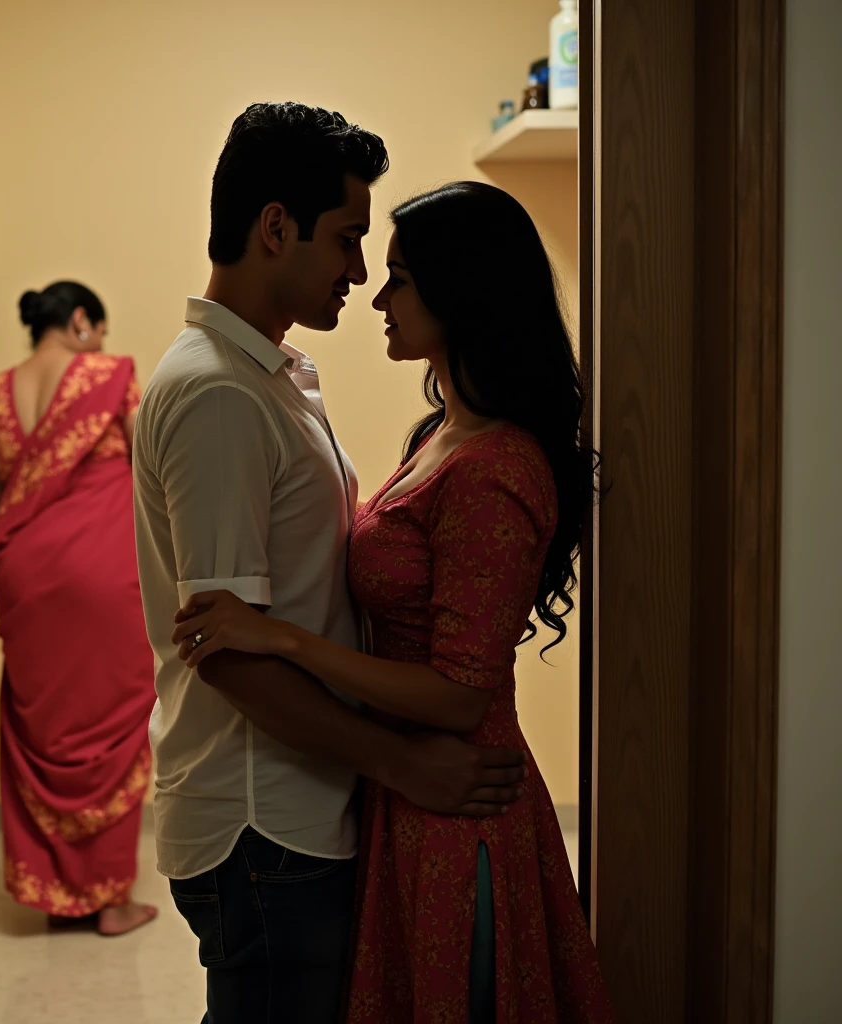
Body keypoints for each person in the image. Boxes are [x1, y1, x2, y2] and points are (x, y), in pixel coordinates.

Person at [172, 183, 616, 1022]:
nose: (375, 292)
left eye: (400, 278)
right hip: (405, 788)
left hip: (457, 799)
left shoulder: (498, 468)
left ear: (463, 293)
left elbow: (459, 691)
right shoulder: (438, 434)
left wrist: (282, 641)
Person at [132, 104, 529, 1023]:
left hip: (300, 803)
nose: (361, 271)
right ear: (277, 227)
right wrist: (400, 763)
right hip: (263, 819)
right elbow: (225, 649)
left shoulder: (267, 376)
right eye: (349, 238)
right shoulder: (217, 395)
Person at [0, 281, 157, 937]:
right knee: (111, 726)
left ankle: (58, 896)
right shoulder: (109, 376)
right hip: (102, 574)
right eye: (98, 331)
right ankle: (109, 901)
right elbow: (150, 472)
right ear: (82, 321)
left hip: (24, 578)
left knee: (43, 722)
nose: (101, 345)